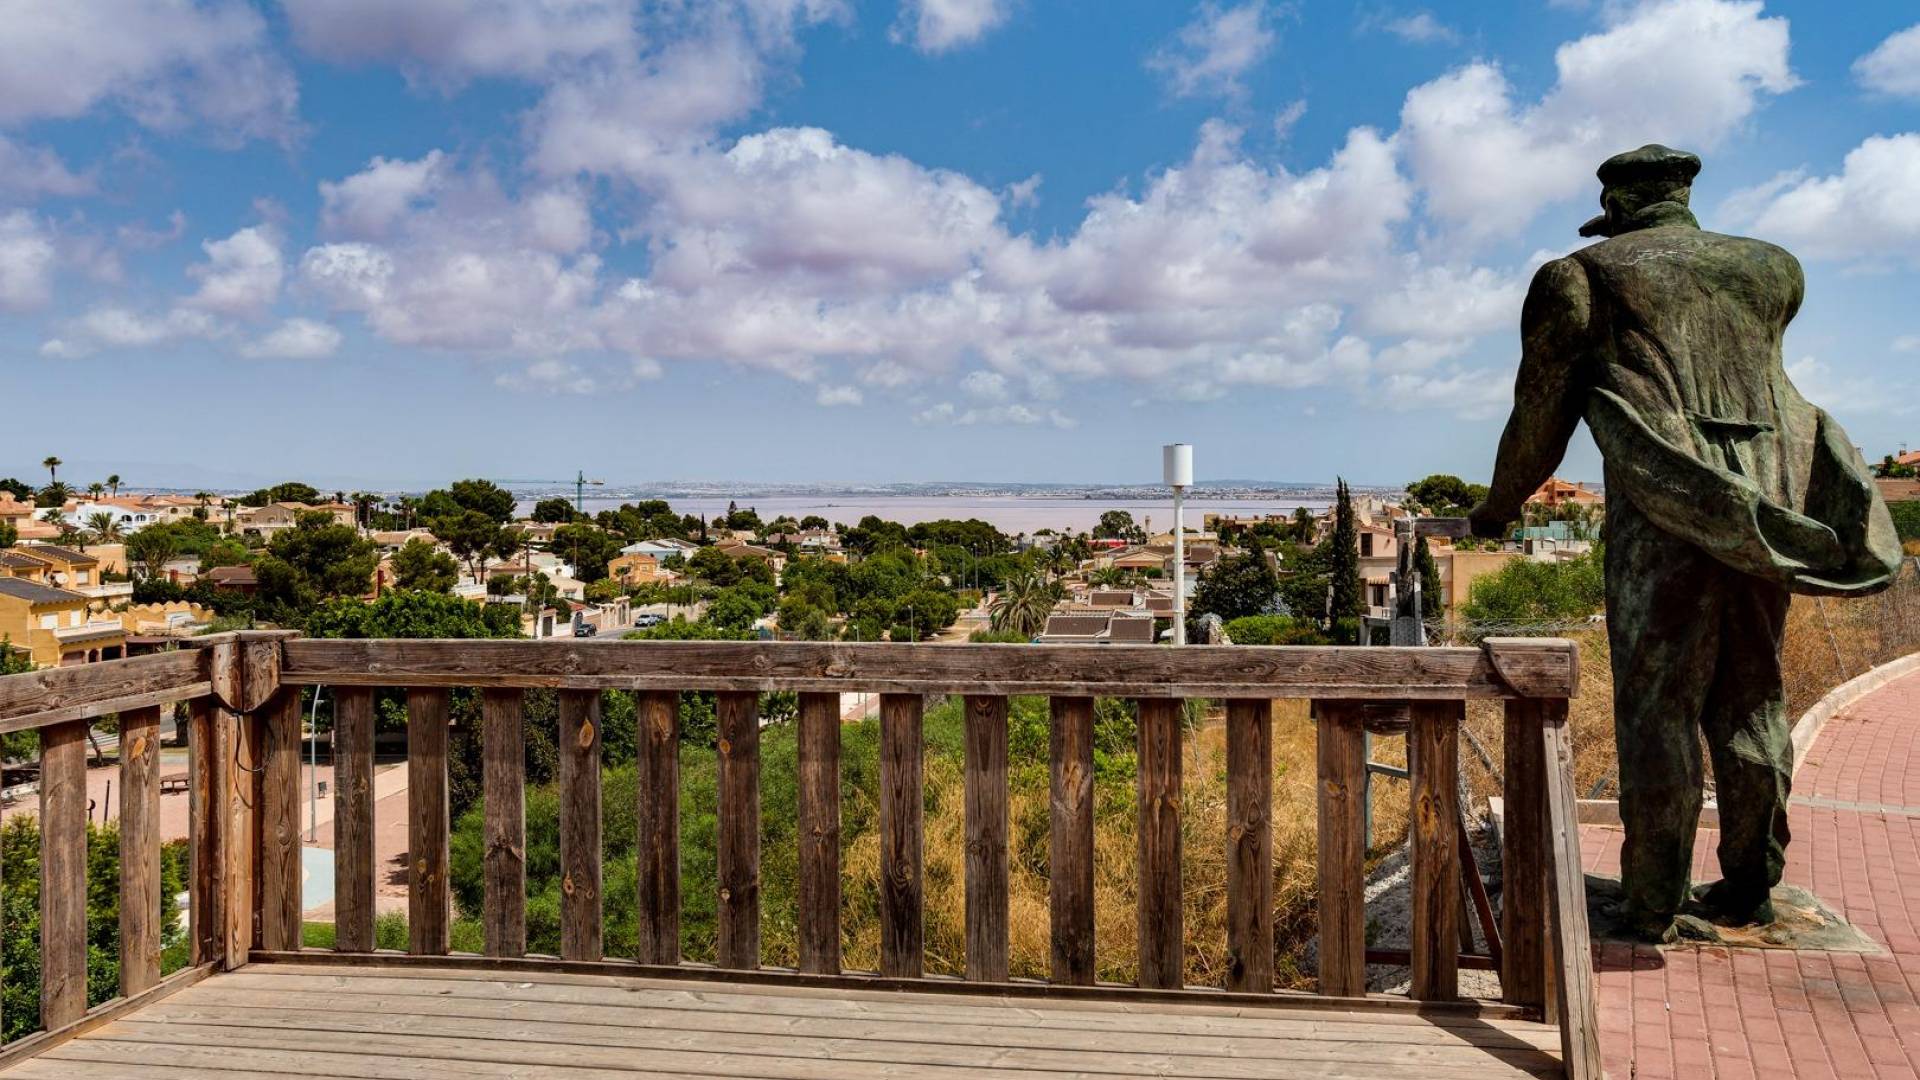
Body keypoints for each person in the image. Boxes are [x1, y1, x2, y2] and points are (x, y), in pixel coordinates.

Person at [1468, 145, 1902, 942]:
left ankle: (1654, 898)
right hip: (1766, 512)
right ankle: (1749, 887)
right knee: (1752, 694)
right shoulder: (1774, 269)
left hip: (1665, 510)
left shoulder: (1580, 277)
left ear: (1618, 208)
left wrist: (1496, 507)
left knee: (1657, 706)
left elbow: (1541, 418)